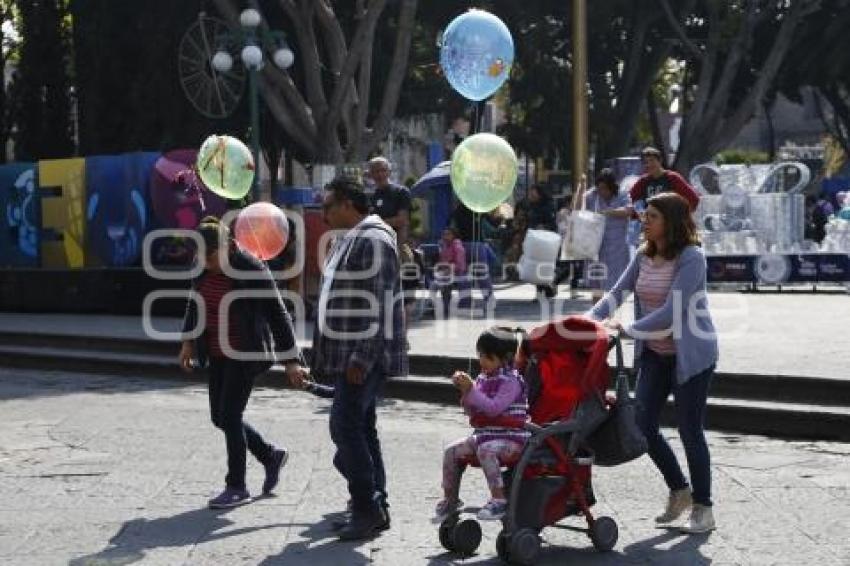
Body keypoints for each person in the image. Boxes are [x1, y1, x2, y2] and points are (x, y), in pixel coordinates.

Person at [586, 193, 719, 534]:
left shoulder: (692, 258)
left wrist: (628, 329)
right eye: (645, 215)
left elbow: (672, 312)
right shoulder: (644, 255)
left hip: (691, 356)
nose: (644, 221)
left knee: (690, 431)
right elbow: (615, 293)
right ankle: (680, 490)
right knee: (642, 425)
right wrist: (585, 322)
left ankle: (703, 509)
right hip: (656, 355)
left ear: (671, 222)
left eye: (653, 216)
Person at [292, 177, 407, 540]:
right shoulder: (355, 237)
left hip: (362, 355)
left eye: (327, 207)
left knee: (345, 426)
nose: (323, 215)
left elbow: (378, 303)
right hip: (349, 353)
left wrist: (361, 357)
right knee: (359, 427)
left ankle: (367, 506)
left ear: (346, 204)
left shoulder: (372, 239)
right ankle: (374, 504)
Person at [178, 216, 303, 509]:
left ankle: (237, 486)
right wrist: (187, 342)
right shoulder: (203, 267)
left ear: (229, 246)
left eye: (210, 256)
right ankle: (270, 455)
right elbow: (194, 303)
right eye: (200, 257)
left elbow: (277, 312)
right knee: (219, 418)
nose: (205, 262)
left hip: (245, 352)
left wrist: (291, 361)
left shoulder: (251, 268)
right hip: (216, 351)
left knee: (231, 416)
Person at [434, 327, 530, 522]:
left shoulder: (511, 381)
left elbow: (494, 408)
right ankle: (450, 499)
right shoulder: (483, 378)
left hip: (512, 439)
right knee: (451, 451)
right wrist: (465, 392)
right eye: (480, 356)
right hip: (486, 434)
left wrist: (472, 391)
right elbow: (473, 410)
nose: (482, 361)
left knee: (486, 450)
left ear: (506, 358)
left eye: (488, 357)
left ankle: (499, 499)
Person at [584, 169, 632, 301]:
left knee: (616, 283)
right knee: (596, 282)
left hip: (617, 247)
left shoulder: (622, 194)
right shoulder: (591, 195)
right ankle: (596, 313)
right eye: (599, 188)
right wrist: (581, 186)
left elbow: (629, 210)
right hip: (596, 246)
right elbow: (577, 209)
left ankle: (612, 315)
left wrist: (607, 212)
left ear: (612, 187)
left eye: (605, 188)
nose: (602, 191)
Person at [629, 147, 700, 213]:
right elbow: (629, 199)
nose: (649, 165)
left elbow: (694, 199)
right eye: (646, 162)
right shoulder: (643, 181)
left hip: (670, 222)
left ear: (660, 161)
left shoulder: (672, 178)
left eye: (652, 160)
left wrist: (681, 216)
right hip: (652, 222)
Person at [431, 226, 467, 318]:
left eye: (448, 234)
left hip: (457, 273)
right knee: (435, 284)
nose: (445, 237)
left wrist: (447, 270)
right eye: (444, 234)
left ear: (453, 236)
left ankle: (444, 308)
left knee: (442, 283)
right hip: (445, 273)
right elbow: (441, 261)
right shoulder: (445, 247)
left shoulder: (458, 247)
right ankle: (439, 307)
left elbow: (460, 265)